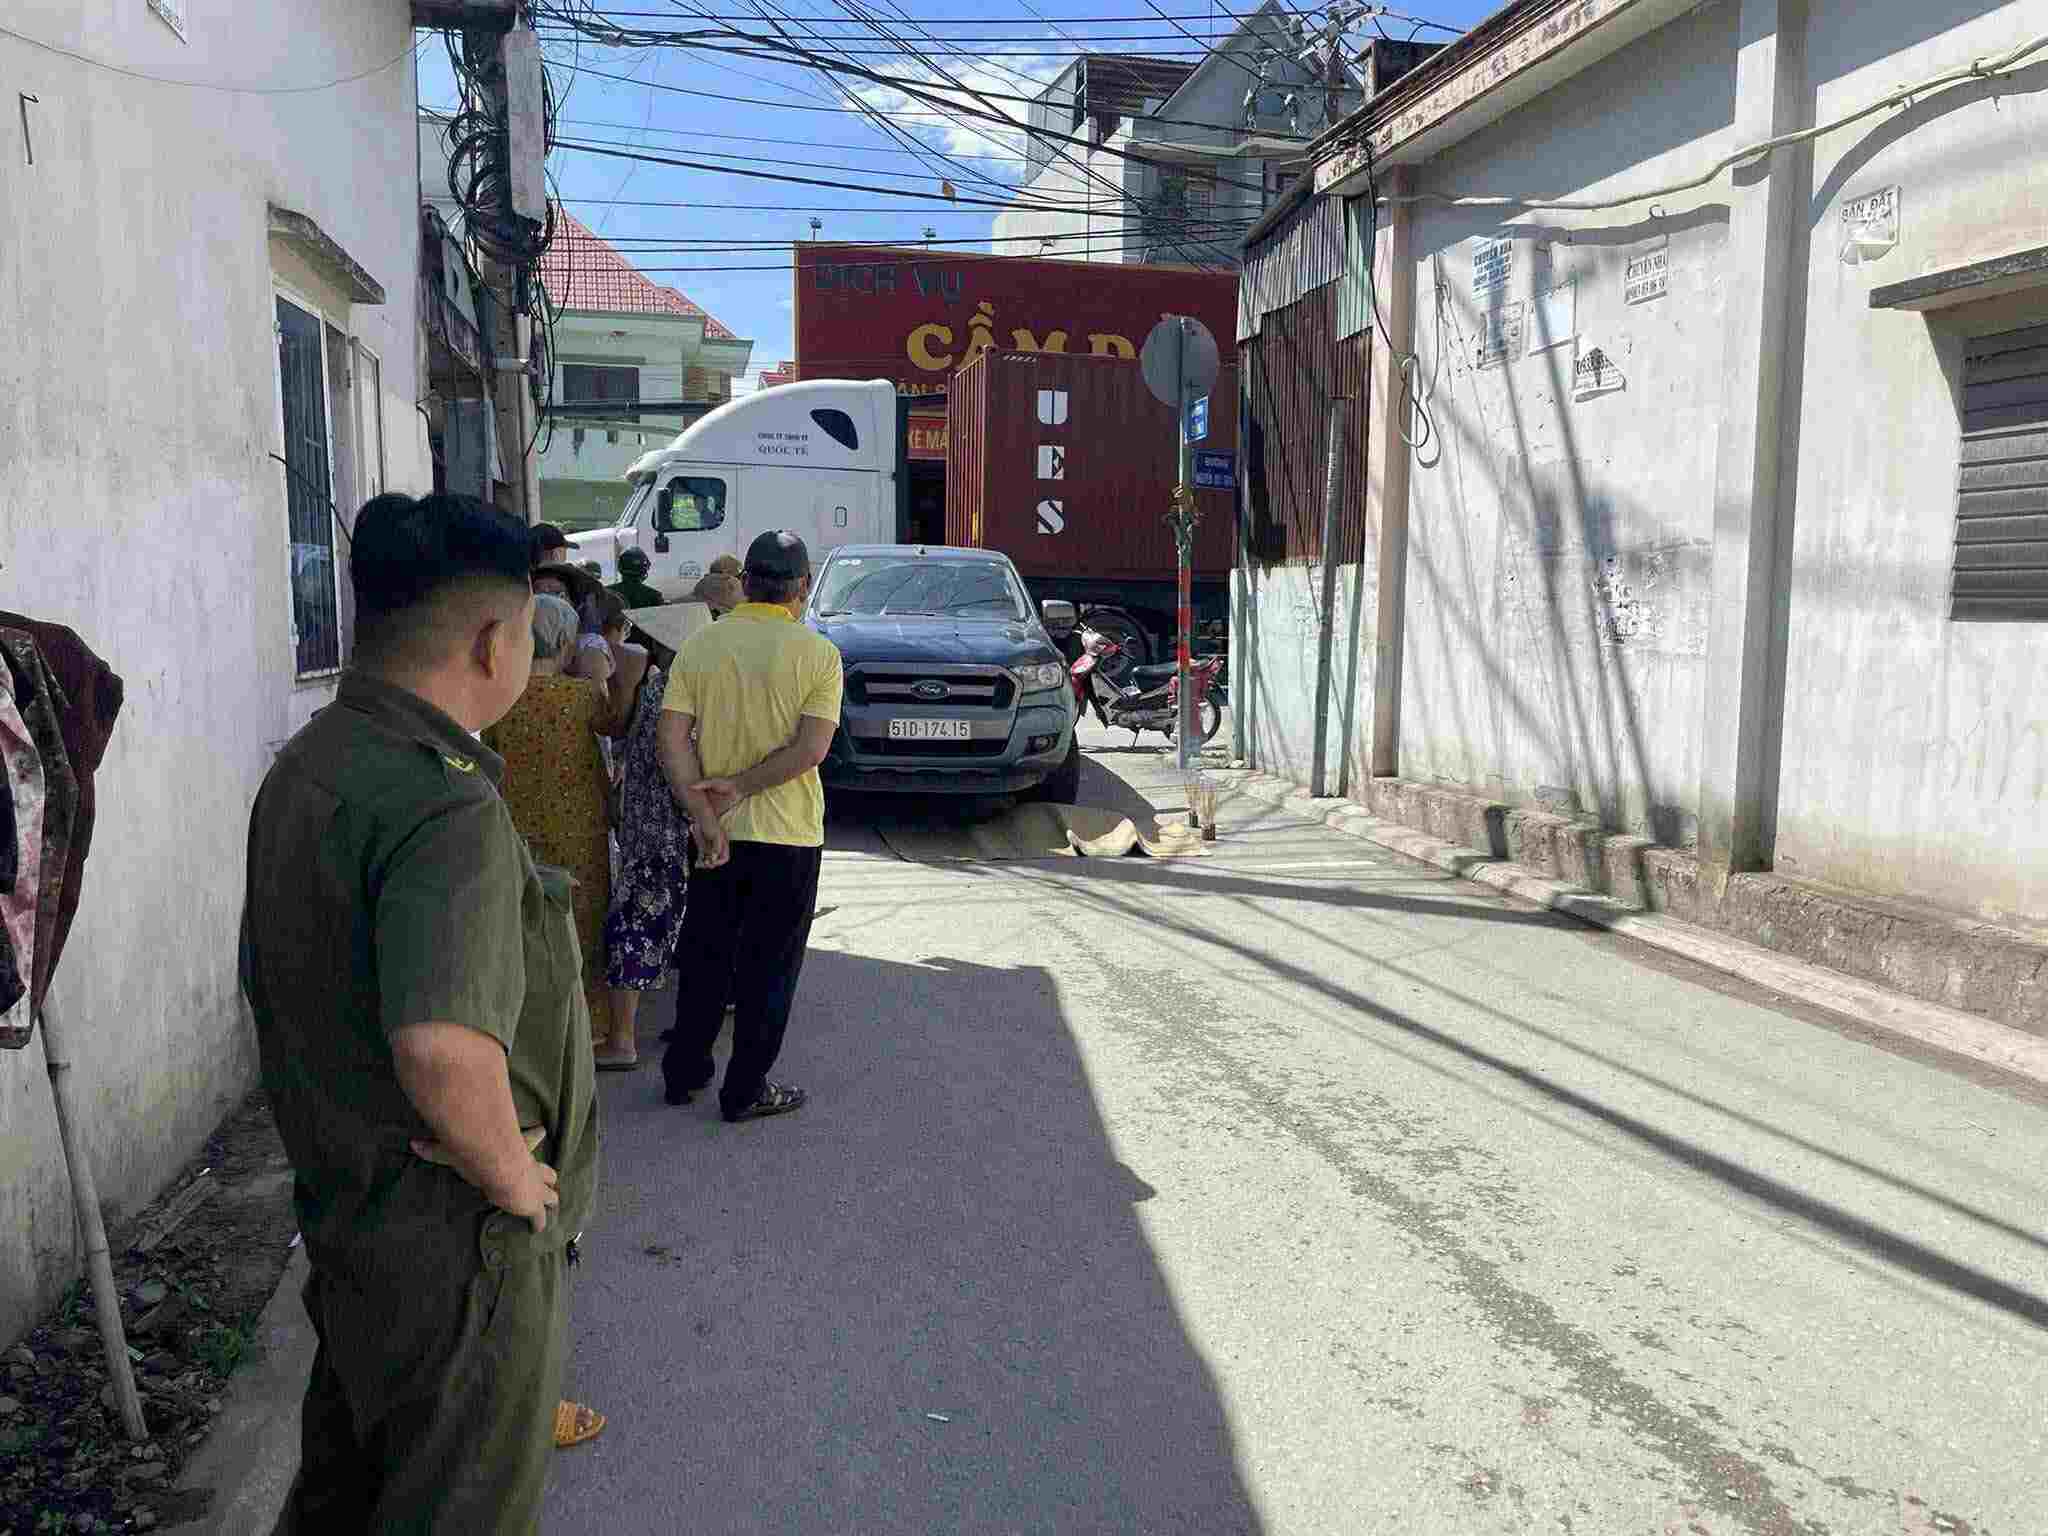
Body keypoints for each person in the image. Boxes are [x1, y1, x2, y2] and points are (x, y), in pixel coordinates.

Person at [241, 492, 600, 1533]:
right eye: (530, 630)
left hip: (353, 1215)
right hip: (455, 1255)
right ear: (493, 641)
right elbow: (442, 1049)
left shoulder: (316, 759)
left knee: (349, 1497)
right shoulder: (443, 802)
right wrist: (514, 1184)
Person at [658, 531, 841, 1122]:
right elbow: (811, 749)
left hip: (717, 837)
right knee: (769, 968)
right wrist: (742, 785)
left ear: (745, 585)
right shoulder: (818, 654)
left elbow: (671, 740)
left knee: (707, 955)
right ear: (801, 587)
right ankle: (745, 1089)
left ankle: (684, 1074)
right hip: (788, 839)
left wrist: (705, 812)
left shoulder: (702, 646)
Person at [484, 595, 625, 1065]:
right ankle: (587, 1030)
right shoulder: (584, 694)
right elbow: (615, 725)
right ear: (566, 641)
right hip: (579, 825)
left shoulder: (503, 697)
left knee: (528, 924)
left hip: (517, 824)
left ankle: (530, 1030)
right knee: (583, 922)